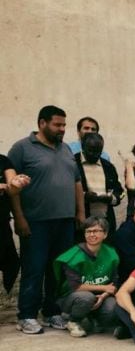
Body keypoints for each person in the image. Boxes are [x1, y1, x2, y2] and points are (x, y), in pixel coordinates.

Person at [8, 105, 85, 335]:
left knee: (57, 269)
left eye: (64, 125)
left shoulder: (66, 150)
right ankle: (27, 315)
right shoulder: (21, 148)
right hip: (35, 222)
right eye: (57, 124)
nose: (62, 129)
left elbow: (76, 183)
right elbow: (13, 188)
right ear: (42, 123)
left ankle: (51, 312)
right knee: (34, 268)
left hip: (64, 222)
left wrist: (79, 213)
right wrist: (20, 218)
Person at [52, 216, 118, 337]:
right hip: (72, 297)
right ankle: (73, 321)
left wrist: (103, 296)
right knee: (86, 297)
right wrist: (103, 288)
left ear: (105, 234)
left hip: (98, 296)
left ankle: (94, 319)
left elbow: (113, 283)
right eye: (88, 231)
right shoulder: (74, 255)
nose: (92, 234)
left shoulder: (111, 253)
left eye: (96, 231)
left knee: (113, 306)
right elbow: (75, 287)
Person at [75, 132, 124, 239]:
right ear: (82, 147)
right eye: (91, 151)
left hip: (105, 221)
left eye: (98, 152)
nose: (95, 155)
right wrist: (84, 197)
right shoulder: (73, 163)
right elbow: (65, 191)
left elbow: (119, 191)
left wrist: (111, 198)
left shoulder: (108, 166)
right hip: (81, 223)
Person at [0, 155, 30, 293]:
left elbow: (12, 188)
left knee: (11, 262)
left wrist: (16, 183)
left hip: (2, 223)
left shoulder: (3, 160)